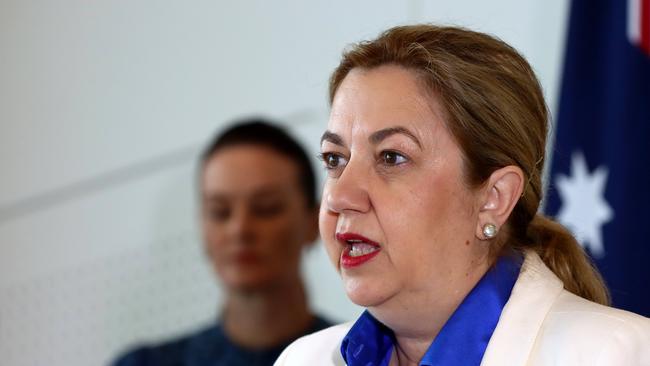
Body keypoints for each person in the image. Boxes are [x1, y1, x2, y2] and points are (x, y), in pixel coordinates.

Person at [274, 25, 650, 366]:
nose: (339, 196)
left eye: (392, 157)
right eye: (335, 159)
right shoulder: (304, 359)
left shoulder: (620, 354)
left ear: (495, 198)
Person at [114, 119, 332, 366]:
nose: (239, 229)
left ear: (314, 221)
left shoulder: (364, 358)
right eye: (220, 212)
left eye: (265, 209)